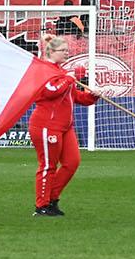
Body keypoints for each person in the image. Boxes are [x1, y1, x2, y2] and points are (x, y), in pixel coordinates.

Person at [28, 33, 96, 218]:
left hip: (66, 127)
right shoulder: (43, 70)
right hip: (46, 125)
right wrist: (69, 79)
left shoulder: (62, 72)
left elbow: (76, 97)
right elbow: (49, 91)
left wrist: (92, 96)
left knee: (72, 162)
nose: (67, 53)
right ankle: (42, 205)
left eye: (67, 50)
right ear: (52, 51)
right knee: (48, 165)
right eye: (63, 50)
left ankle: (52, 198)